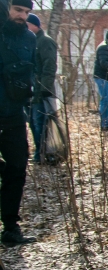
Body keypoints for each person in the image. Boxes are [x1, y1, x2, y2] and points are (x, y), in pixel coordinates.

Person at [0, 0, 38, 246]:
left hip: (14, 114)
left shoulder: (30, 38)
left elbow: (30, 73)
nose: (22, 16)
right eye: (17, 9)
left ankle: (10, 227)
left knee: (17, 168)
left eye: (26, 11)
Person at [26, 13, 58, 162]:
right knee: (33, 123)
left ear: (35, 25)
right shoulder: (29, 40)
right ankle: (39, 153)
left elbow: (49, 65)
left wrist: (45, 88)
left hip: (42, 90)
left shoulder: (45, 41)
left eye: (27, 24)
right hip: (30, 90)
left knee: (41, 123)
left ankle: (44, 154)